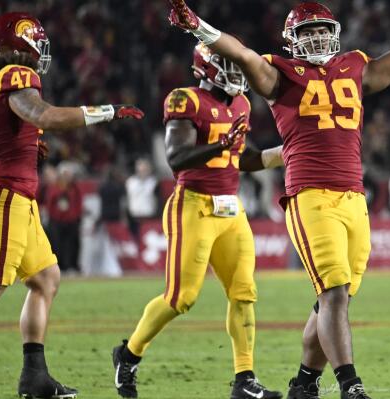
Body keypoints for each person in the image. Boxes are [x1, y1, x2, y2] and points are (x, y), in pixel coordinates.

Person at [168, 1, 390, 398]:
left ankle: (304, 382)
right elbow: (240, 52)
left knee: (331, 303)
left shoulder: (355, 66)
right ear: (292, 40)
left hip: (355, 198)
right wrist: (197, 26)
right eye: (308, 32)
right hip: (311, 196)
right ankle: (350, 385)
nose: (318, 37)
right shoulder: (279, 74)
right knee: (333, 293)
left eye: (323, 30)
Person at [0, 12, 143, 399]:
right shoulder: (16, 76)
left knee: (46, 279)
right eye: (36, 43)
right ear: (17, 45)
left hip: (13, 195)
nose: (40, 53)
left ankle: (34, 376)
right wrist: (106, 111)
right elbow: (44, 114)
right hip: (4, 196)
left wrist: (19, 144)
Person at [111, 42, 284, 399]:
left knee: (244, 294)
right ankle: (128, 355)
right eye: (228, 63)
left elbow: (240, 158)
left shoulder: (242, 103)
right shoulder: (184, 99)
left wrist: (282, 154)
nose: (237, 70)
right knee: (181, 297)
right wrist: (221, 145)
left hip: (231, 209)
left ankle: (244, 379)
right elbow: (177, 157)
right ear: (207, 67)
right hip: (193, 205)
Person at [45, 163, 83, 273]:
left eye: (70, 174)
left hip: (71, 221)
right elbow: (50, 203)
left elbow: (78, 203)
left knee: (72, 244)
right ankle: (59, 267)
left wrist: (76, 216)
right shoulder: (55, 187)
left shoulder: (75, 188)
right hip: (57, 221)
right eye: (66, 174)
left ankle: (70, 266)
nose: (68, 177)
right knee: (57, 244)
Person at [125, 158, 159, 239]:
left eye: (145, 168)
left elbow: (158, 200)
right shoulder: (130, 182)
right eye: (141, 168)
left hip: (150, 217)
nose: (143, 170)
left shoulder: (154, 182)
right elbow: (126, 199)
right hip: (134, 218)